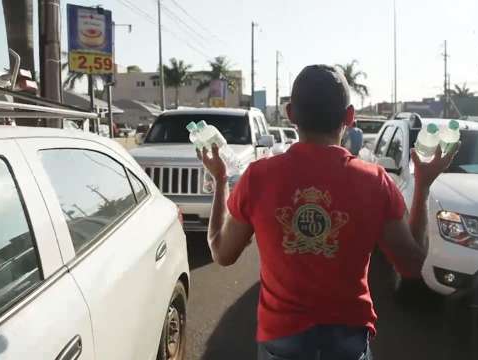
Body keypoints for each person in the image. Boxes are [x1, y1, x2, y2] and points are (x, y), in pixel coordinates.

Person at [196, 64, 457, 360]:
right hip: (347, 340)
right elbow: (411, 266)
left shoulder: (259, 177)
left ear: (290, 114)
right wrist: (422, 184)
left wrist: (219, 180)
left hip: (281, 339)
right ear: (349, 117)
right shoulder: (374, 181)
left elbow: (221, 252)